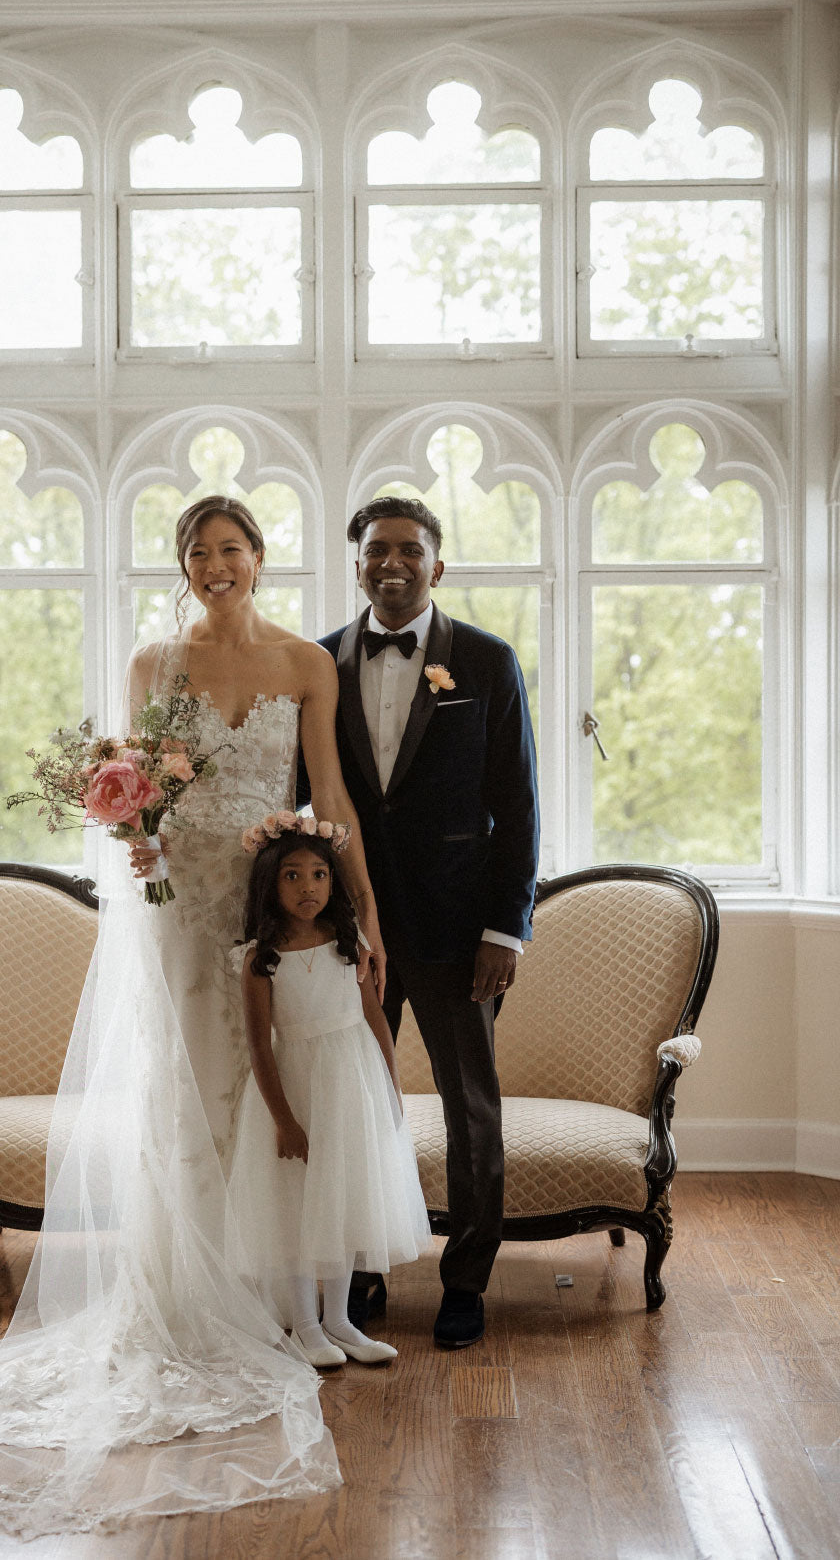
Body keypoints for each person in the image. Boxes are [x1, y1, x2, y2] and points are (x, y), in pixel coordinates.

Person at [0, 495, 387, 1537]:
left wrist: (363, 912)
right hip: (184, 904)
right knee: (198, 1091)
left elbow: (331, 794)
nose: (216, 565)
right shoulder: (156, 659)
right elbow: (139, 790)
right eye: (198, 553)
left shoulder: (306, 665)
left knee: (282, 1086)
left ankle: (283, 1300)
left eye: (231, 549)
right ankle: (199, 1298)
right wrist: (136, 836)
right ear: (184, 567)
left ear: (262, 559)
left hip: (279, 900)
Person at [307, 496, 540, 1350]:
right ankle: (361, 1271)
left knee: (469, 1108)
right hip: (346, 930)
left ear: (437, 566)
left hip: (456, 928)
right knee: (356, 1103)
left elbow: (516, 807)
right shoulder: (320, 663)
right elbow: (306, 793)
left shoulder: (487, 660)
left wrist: (504, 929)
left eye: (410, 549)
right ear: (357, 562)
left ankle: (466, 1280)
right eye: (376, 549)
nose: (391, 562)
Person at [226, 821, 430, 1370]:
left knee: (343, 1200)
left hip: (351, 1085)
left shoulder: (351, 945)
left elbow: (376, 1022)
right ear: (270, 884)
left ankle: (340, 1320)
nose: (307, 887)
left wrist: (390, 1087)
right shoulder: (259, 959)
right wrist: (284, 1121)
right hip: (295, 1085)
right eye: (292, 875)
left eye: (318, 874)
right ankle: (306, 1325)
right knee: (296, 1206)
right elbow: (260, 1050)